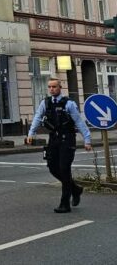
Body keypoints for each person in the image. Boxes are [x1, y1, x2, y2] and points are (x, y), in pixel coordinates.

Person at [26, 78, 92, 213]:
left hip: (67, 139)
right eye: (49, 87)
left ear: (60, 88)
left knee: (64, 169)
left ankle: (64, 203)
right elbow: (38, 117)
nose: (51, 89)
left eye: (54, 87)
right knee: (52, 167)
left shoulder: (69, 104)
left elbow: (79, 122)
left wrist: (87, 140)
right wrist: (31, 133)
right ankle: (75, 189)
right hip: (53, 139)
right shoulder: (46, 103)